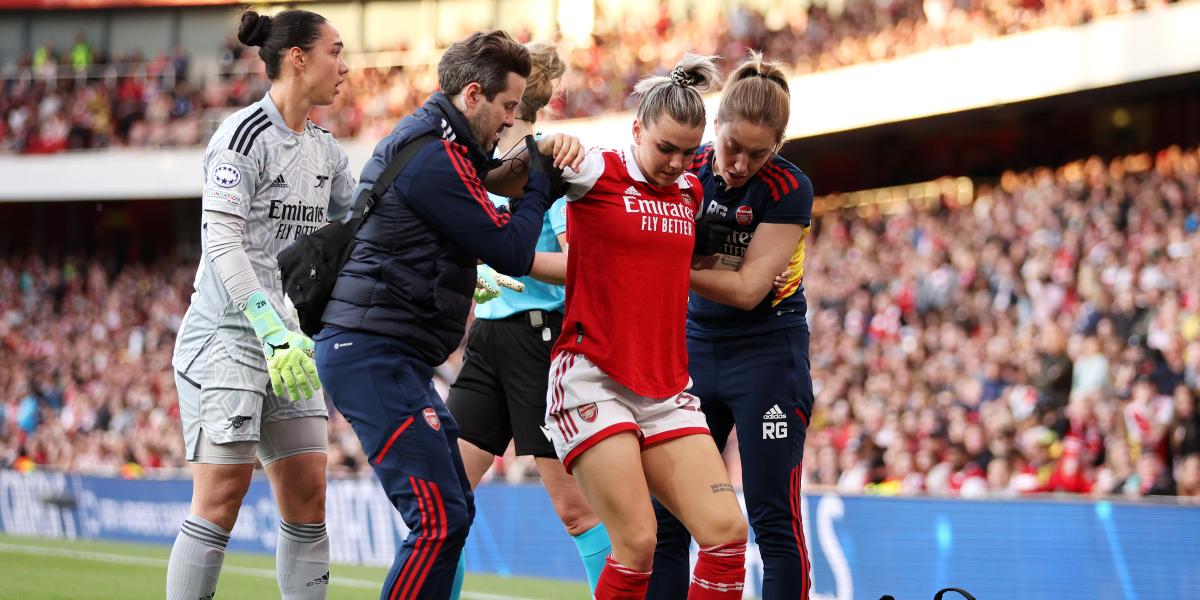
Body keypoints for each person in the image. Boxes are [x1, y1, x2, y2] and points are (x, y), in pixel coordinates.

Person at [313, 30, 583, 600]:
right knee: (438, 519)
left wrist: (535, 159)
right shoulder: (438, 158)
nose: (510, 119)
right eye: (507, 106)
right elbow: (510, 249)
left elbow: (489, 179)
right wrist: (539, 183)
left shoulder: (437, 142)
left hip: (387, 352)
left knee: (453, 508)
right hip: (374, 352)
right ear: (473, 95)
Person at [546, 54, 749, 600]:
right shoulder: (595, 169)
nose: (677, 163)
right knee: (637, 542)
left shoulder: (691, 192)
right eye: (665, 148)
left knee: (728, 534)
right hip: (592, 377)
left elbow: (685, 261)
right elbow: (507, 174)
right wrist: (542, 146)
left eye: (689, 152)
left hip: (665, 388)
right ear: (637, 130)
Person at [168, 9, 352, 600]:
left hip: (290, 348)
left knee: (309, 498)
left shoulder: (327, 152)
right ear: (298, 58)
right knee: (220, 500)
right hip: (230, 339)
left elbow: (366, 227)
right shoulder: (240, 137)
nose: (344, 66)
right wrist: (271, 330)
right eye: (335, 51)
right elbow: (221, 243)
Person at [445, 41, 611, 596]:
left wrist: (509, 265)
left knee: (576, 511)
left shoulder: (547, 162)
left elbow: (578, 265)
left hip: (537, 341)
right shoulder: (479, 163)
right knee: (444, 501)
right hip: (487, 338)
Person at [648, 51, 816, 600]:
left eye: (758, 153)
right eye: (732, 146)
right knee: (668, 517)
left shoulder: (789, 188)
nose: (740, 164)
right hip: (693, 348)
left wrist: (668, 260)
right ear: (714, 125)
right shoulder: (686, 167)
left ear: (779, 147)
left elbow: (748, 291)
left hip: (767, 355)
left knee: (773, 516)